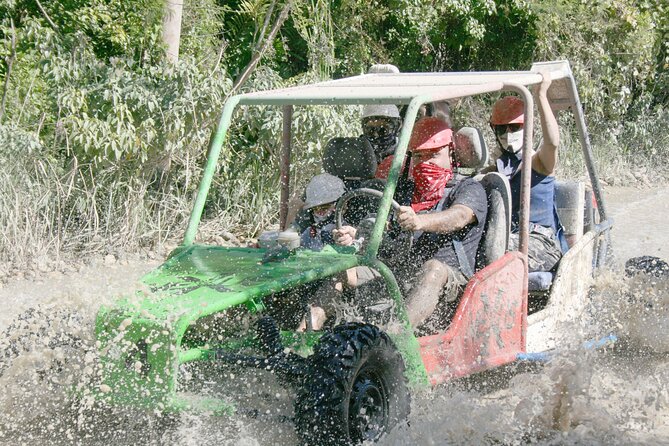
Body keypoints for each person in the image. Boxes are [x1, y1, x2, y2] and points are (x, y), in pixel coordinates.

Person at [333, 117, 488, 331]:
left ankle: (396, 339)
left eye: (434, 154)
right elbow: (387, 229)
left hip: (451, 281)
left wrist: (419, 221)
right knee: (340, 272)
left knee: (432, 269)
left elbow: (460, 216)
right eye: (419, 156)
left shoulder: (468, 188)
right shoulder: (405, 192)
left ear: (451, 153)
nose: (426, 163)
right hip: (401, 272)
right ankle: (303, 337)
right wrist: (357, 233)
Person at [488, 72, 562, 273]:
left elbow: (553, 142)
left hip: (541, 243)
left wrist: (540, 96)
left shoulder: (539, 162)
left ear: (527, 127)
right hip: (506, 237)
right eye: (502, 129)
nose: (508, 134)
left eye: (515, 127)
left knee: (495, 246)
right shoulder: (496, 169)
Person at [298, 173, 346, 251]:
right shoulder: (308, 231)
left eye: (324, 208)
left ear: (339, 206)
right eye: (316, 208)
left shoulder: (347, 230)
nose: (320, 212)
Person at [360, 104, 402, 180]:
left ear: (397, 127)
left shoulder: (403, 154)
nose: (376, 135)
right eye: (370, 130)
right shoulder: (356, 152)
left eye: (383, 130)